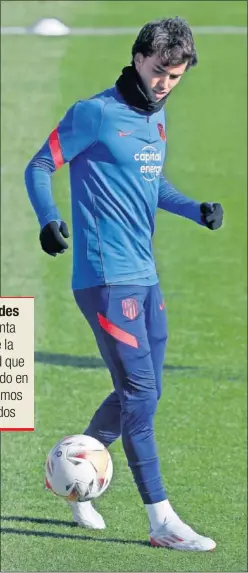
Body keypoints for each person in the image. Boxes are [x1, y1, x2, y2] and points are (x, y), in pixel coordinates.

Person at [25, 17, 223, 551]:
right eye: (160, 72)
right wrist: (48, 218)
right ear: (138, 58)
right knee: (139, 392)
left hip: (146, 276)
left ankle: (77, 481)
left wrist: (193, 209)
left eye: (176, 77)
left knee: (143, 392)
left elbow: (151, 185)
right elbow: (39, 165)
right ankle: (162, 521)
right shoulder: (94, 113)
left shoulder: (154, 120)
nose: (165, 84)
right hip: (106, 278)